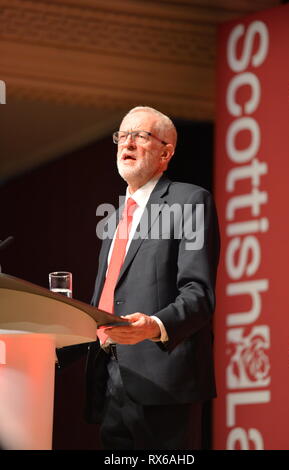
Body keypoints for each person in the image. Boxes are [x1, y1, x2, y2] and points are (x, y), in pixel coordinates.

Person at [85, 106, 220, 450]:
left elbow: (198, 295)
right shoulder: (114, 219)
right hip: (112, 379)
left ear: (166, 153)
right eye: (122, 135)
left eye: (140, 135)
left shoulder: (189, 200)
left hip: (164, 381)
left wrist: (154, 326)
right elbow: (104, 299)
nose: (127, 143)